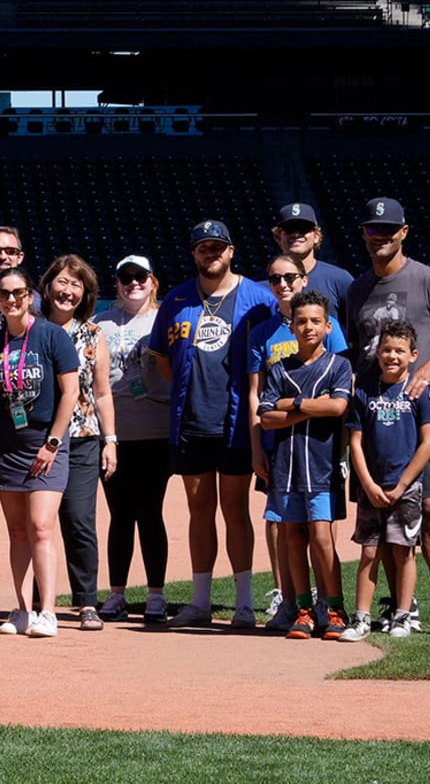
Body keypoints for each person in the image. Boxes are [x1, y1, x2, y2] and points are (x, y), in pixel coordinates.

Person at [344, 196, 430, 637]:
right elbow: (353, 350)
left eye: (388, 230)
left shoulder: (428, 279)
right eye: (372, 230)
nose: (380, 236)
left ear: (403, 232)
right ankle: (402, 604)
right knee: (381, 516)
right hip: (371, 416)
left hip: (414, 416)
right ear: (364, 235)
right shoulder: (357, 288)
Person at [150, 219, 274, 630]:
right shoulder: (178, 299)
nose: (211, 253)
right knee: (198, 509)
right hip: (192, 420)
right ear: (194, 253)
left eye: (218, 247)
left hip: (238, 421)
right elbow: (162, 359)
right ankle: (200, 601)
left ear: (231, 250)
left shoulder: (258, 297)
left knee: (235, 510)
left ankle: (243, 604)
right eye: (203, 247)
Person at [0, 264, 80, 638]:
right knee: (17, 531)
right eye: (4, 294)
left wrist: (53, 442)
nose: (11, 300)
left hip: (45, 445)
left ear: (31, 296)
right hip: (7, 447)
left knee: (40, 527)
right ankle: (21, 609)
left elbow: (71, 393)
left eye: (18, 293)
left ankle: (47, 611)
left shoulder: (52, 336)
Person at [248, 250, 348, 630]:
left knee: (321, 536)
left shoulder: (338, 364)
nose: (308, 327)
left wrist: (297, 405)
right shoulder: (280, 368)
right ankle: (302, 608)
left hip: (321, 464)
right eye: (302, 321)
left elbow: (338, 407)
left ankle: (334, 606)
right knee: (291, 535)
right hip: (286, 464)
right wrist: (310, 407)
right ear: (292, 327)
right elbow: (267, 417)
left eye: (315, 322)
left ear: (327, 327)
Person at [340, 319, 430, 642]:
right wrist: (367, 484)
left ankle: (402, 614)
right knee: (370, 552)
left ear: (413, 355)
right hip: (371, 484)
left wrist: (402, 484)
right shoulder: (365, 391)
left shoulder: (419, 392)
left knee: (403, 551)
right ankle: (361, 618)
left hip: (406, 487)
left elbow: (428, 442)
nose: (392, 356)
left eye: (399, 351)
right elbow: (355, 442)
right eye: (386, 350)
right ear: (377, 352)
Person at [38, 254, 116, 631]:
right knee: (38, 522)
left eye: (77, 285)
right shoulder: (30, 330)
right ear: (48, 285)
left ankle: (86, 602)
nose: (67, 291)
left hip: (83, 438)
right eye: (62, 282)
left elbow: (102, 393)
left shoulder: (92, 335)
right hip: (37, 440)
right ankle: (39, 600)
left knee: (79, 520)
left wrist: (110, 439)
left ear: (85, 293)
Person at [95, 255, 171, 623]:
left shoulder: (164, 319)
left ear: (152, 281)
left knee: (150, 511)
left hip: (155, 429)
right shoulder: (100, 323)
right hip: (112, 434)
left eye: (140, 276)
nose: (132, 283)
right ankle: (117, 594)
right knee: (119, 514)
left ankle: (156, 594)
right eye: (125, 278)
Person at [272, 202, 354, 314]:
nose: (296, 234)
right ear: (278, 237)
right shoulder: (263, 285)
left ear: (316, 236)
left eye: (303, 229)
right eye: (289, 229)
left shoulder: (339, 279)